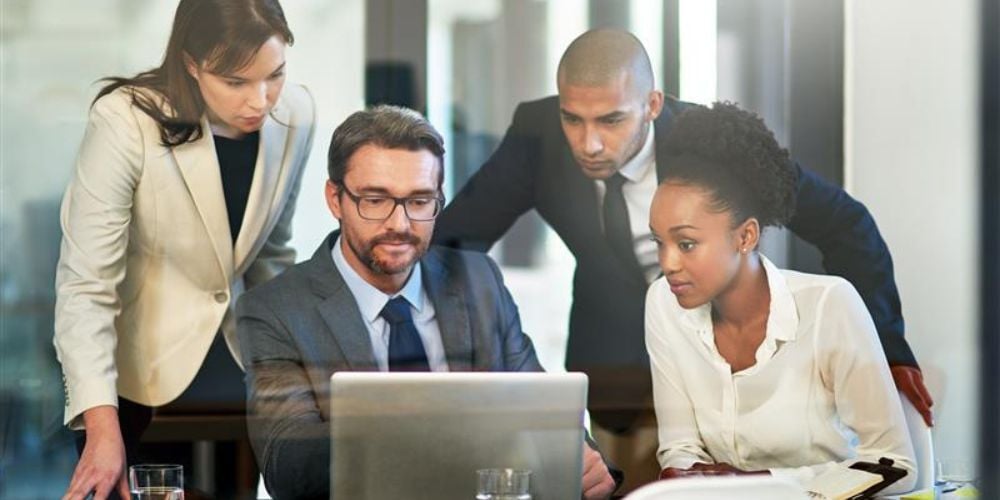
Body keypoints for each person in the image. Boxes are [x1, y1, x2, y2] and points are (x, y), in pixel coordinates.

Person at [434, 28, 932, 435]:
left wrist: (885, 348)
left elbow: (847, 224)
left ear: (652, 104)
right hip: (608, 361)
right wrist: (466, 365)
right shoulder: (538, 131)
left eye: (610, 120)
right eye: (573, 118)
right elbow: (453, 243)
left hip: (725, 355)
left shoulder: (713, 142)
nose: (587, 143)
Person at [236, 105, 618, 499]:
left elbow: (540, 410)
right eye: (375, 200)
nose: (399, 224)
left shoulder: (479, 281)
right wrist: (429, 428)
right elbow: (289, 467)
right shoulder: (275, 309)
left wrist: (583, 459)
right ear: (336, 199)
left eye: (420, 201)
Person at [53, 1, 315, 498]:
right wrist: (101, 428)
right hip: (136, 383)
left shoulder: (297, 115)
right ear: (193, 64)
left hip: (238, 379)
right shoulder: (125, 121)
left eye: (274, 75)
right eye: (236, 82)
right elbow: (86, 287)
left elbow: (272, 257)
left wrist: (296, 379)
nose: (260, 101)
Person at [646, 102, 916, 494]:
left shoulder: (829, 306)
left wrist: (759, 485)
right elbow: (680, 448)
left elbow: (897, 466)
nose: (667, 263)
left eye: (686, 243)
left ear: (746, 237)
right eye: (659, 242)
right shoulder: (664, 304)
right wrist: (691, 478)